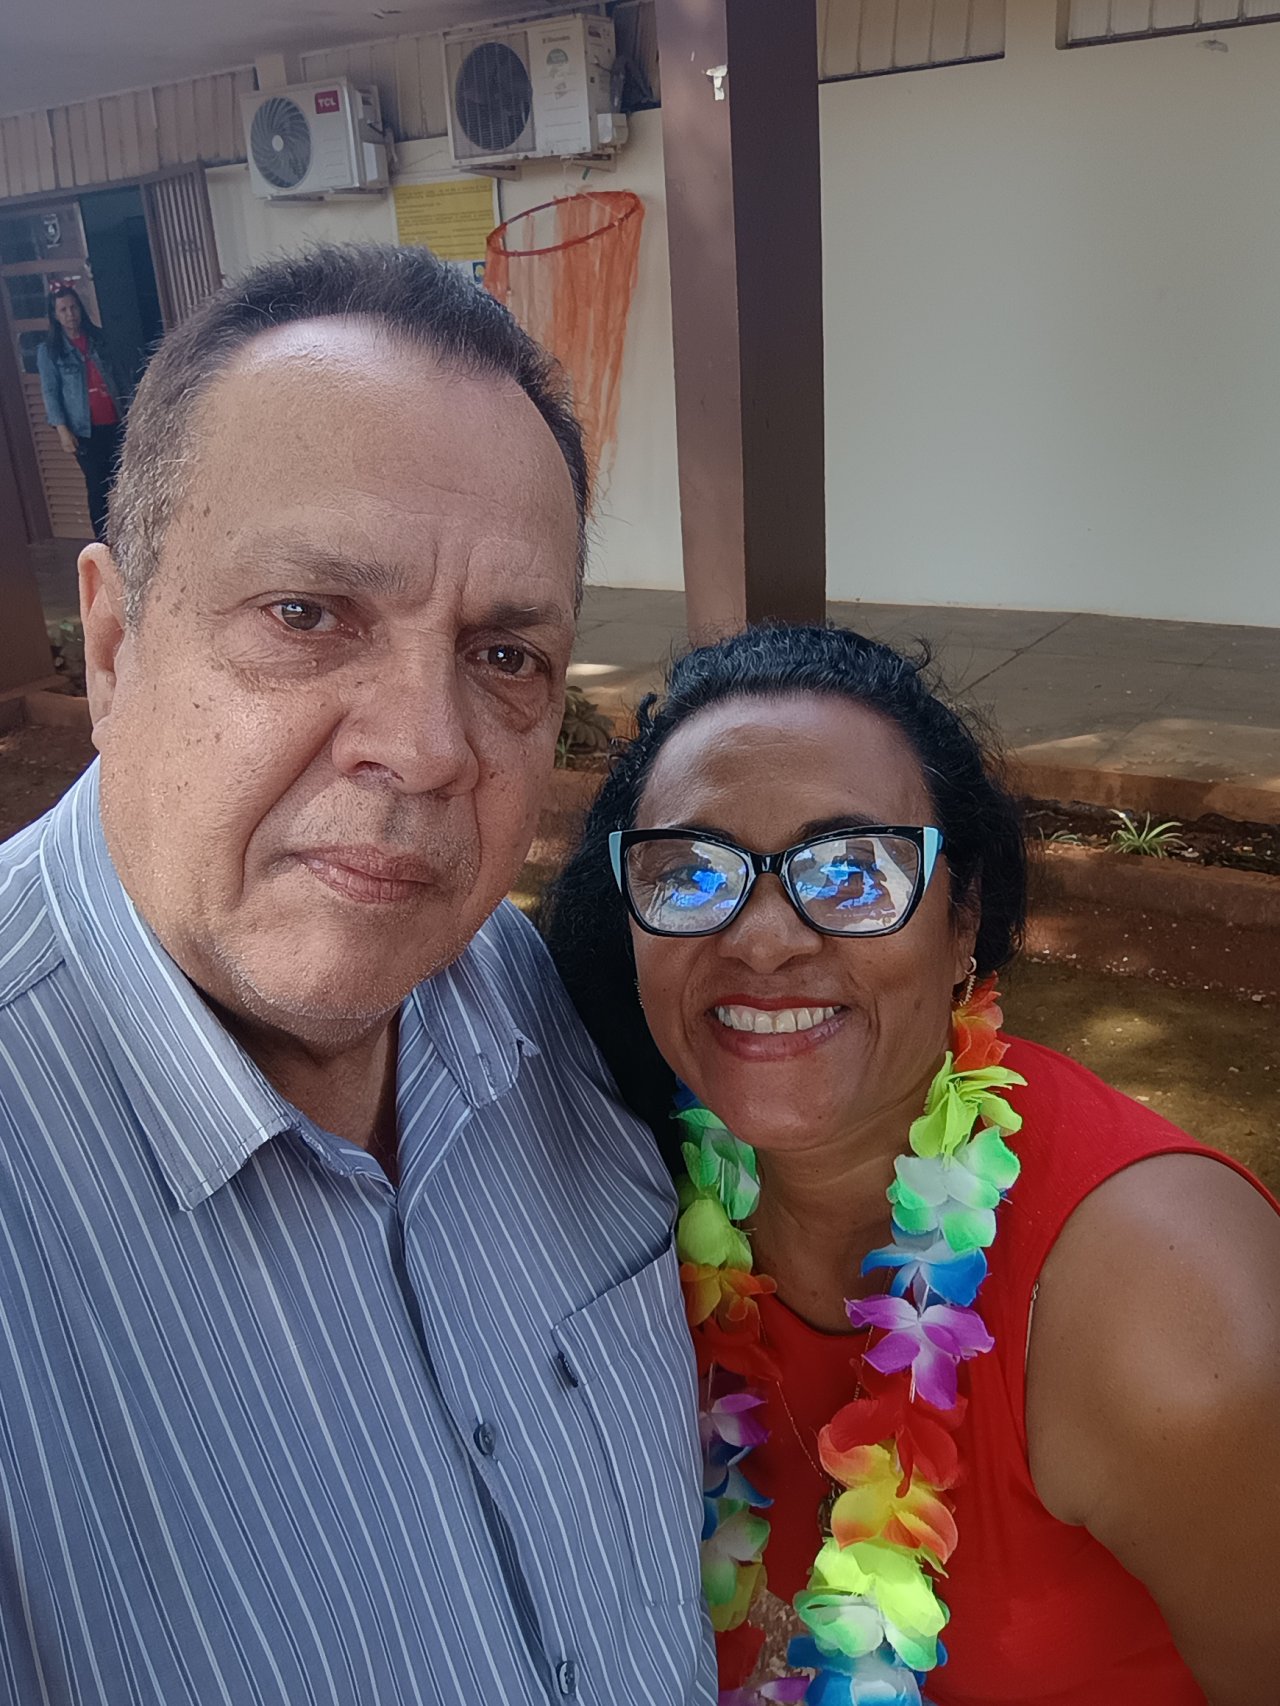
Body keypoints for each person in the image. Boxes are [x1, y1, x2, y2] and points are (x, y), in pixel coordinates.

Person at [0, 244, 713, 1706]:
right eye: (308, 614)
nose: (429, 746)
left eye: (504, 655)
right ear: (116, 645)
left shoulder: (531, 989)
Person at [543, 623, 1280, 1706]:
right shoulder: (620, 1196)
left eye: (851, 871)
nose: (762, 938)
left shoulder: (1169, 1301)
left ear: (960, 917)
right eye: (690, 872)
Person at [36, 281, 126, 540]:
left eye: (73, 307)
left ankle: (126, 535)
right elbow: (50, 393)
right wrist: (62, 430)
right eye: (63, 310)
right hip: (84, 430)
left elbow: (119, 376)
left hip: (114, 421)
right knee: (97, 485)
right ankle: (104, 542)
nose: (70, 314)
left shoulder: (99, 339)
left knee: (120, 480)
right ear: (55, 315)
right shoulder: (49, 351)